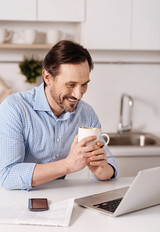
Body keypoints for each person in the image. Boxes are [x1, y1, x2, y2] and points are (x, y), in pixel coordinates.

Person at [0, 40, 119, 190]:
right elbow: (8, 176)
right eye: (71, 85)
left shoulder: (86, 113)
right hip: (17, 200)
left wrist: (102, 170)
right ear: (48, 77)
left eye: (84, 84)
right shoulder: (14, 108)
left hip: (59, 198)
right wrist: (68, 165)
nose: (78, 95)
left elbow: (111, 167)